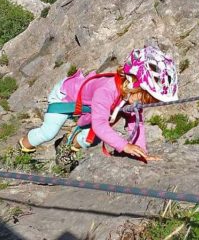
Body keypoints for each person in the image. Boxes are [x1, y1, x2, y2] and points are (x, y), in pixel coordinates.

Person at [17, 46, 179, 171]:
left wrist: (141, 153)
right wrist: (124, 146)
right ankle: (21, 149)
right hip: (65, 98)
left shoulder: (130, 95)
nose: (143, 103)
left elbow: (136, 124)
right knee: (48, 132)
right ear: (132, 83)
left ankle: (65, 144)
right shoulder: (107, 91)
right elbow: (100, 125)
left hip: (88, 107)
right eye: (144, 97)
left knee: (91, 139)